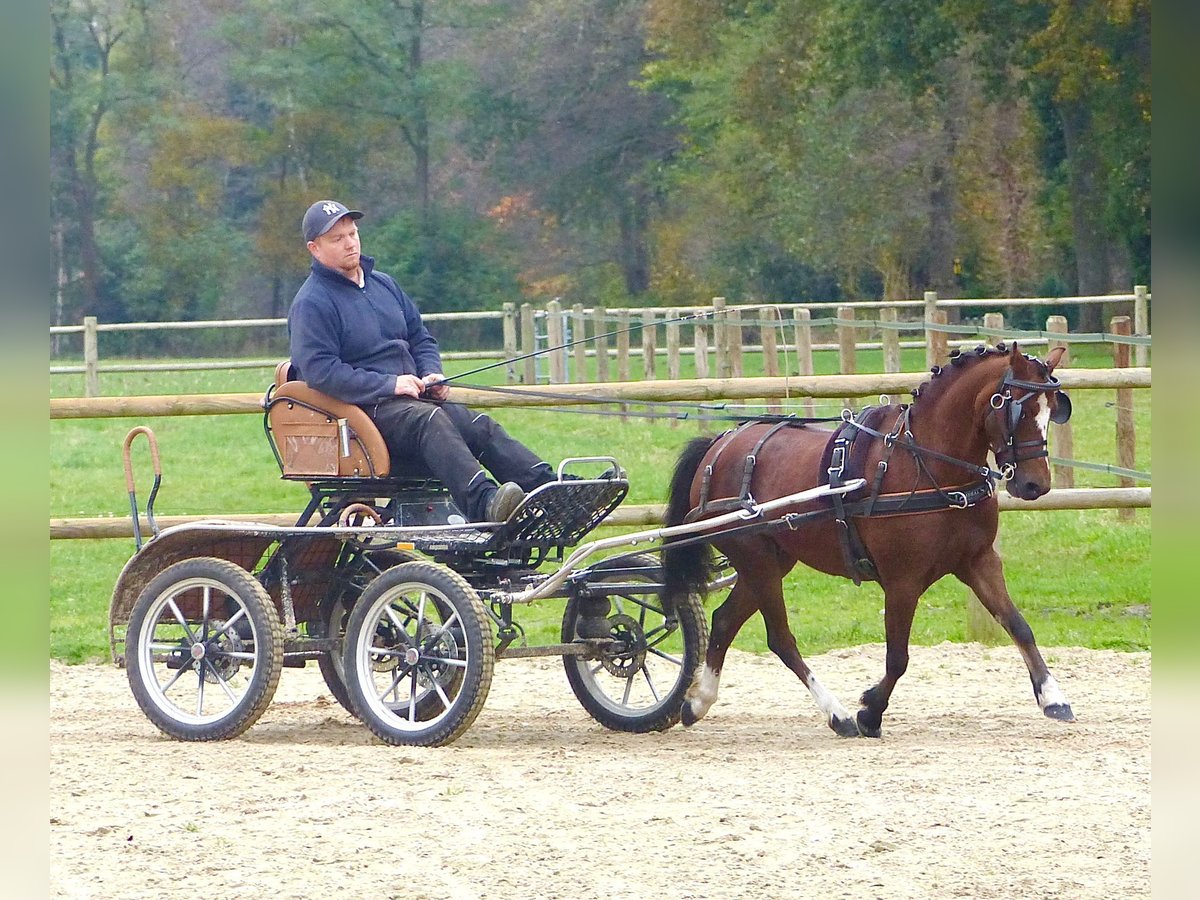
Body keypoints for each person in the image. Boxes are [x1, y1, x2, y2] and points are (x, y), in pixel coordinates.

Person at [288, 199, 556, 522]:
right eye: (338, 238)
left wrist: (431, 373)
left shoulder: (384, 285)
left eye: (353, 233)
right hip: (363, 413)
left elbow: (421, 338)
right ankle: (486, 504)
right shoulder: (312, 303)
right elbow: (320, 372)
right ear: (314, 249)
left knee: (476, 425)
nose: (350, 243)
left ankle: (551, 490)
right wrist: (390, 384)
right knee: (430, 422)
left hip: (412, 400)